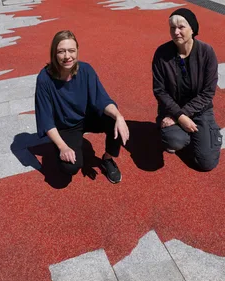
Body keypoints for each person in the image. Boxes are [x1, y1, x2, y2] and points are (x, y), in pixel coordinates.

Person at [35, 30, 129, 183]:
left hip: (87, 116)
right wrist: (62, 147)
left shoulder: (86, 70)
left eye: (71, 50)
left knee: (114, 121)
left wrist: (119, 116)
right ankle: (60, 146)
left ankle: (107, 159)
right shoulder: (44, 79)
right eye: (61, 51)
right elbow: (46, 120)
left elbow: (102, 100)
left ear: (77, 51)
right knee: (69, 168)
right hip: (66, 126)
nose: (67, 56)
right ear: (54, 53)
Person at [152, 8, 222, 171]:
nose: (176, 32)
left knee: (206, 164)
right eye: (172, 28)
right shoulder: (162, 54)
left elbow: (208, 93)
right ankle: (191, 134)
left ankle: (208, 133)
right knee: (173, 140)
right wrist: (180, 116)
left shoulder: (207, 53)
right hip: (172, 110)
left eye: (181, 27)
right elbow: (159, 91)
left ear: (192, 28)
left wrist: (183, 115)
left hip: (200, 110)